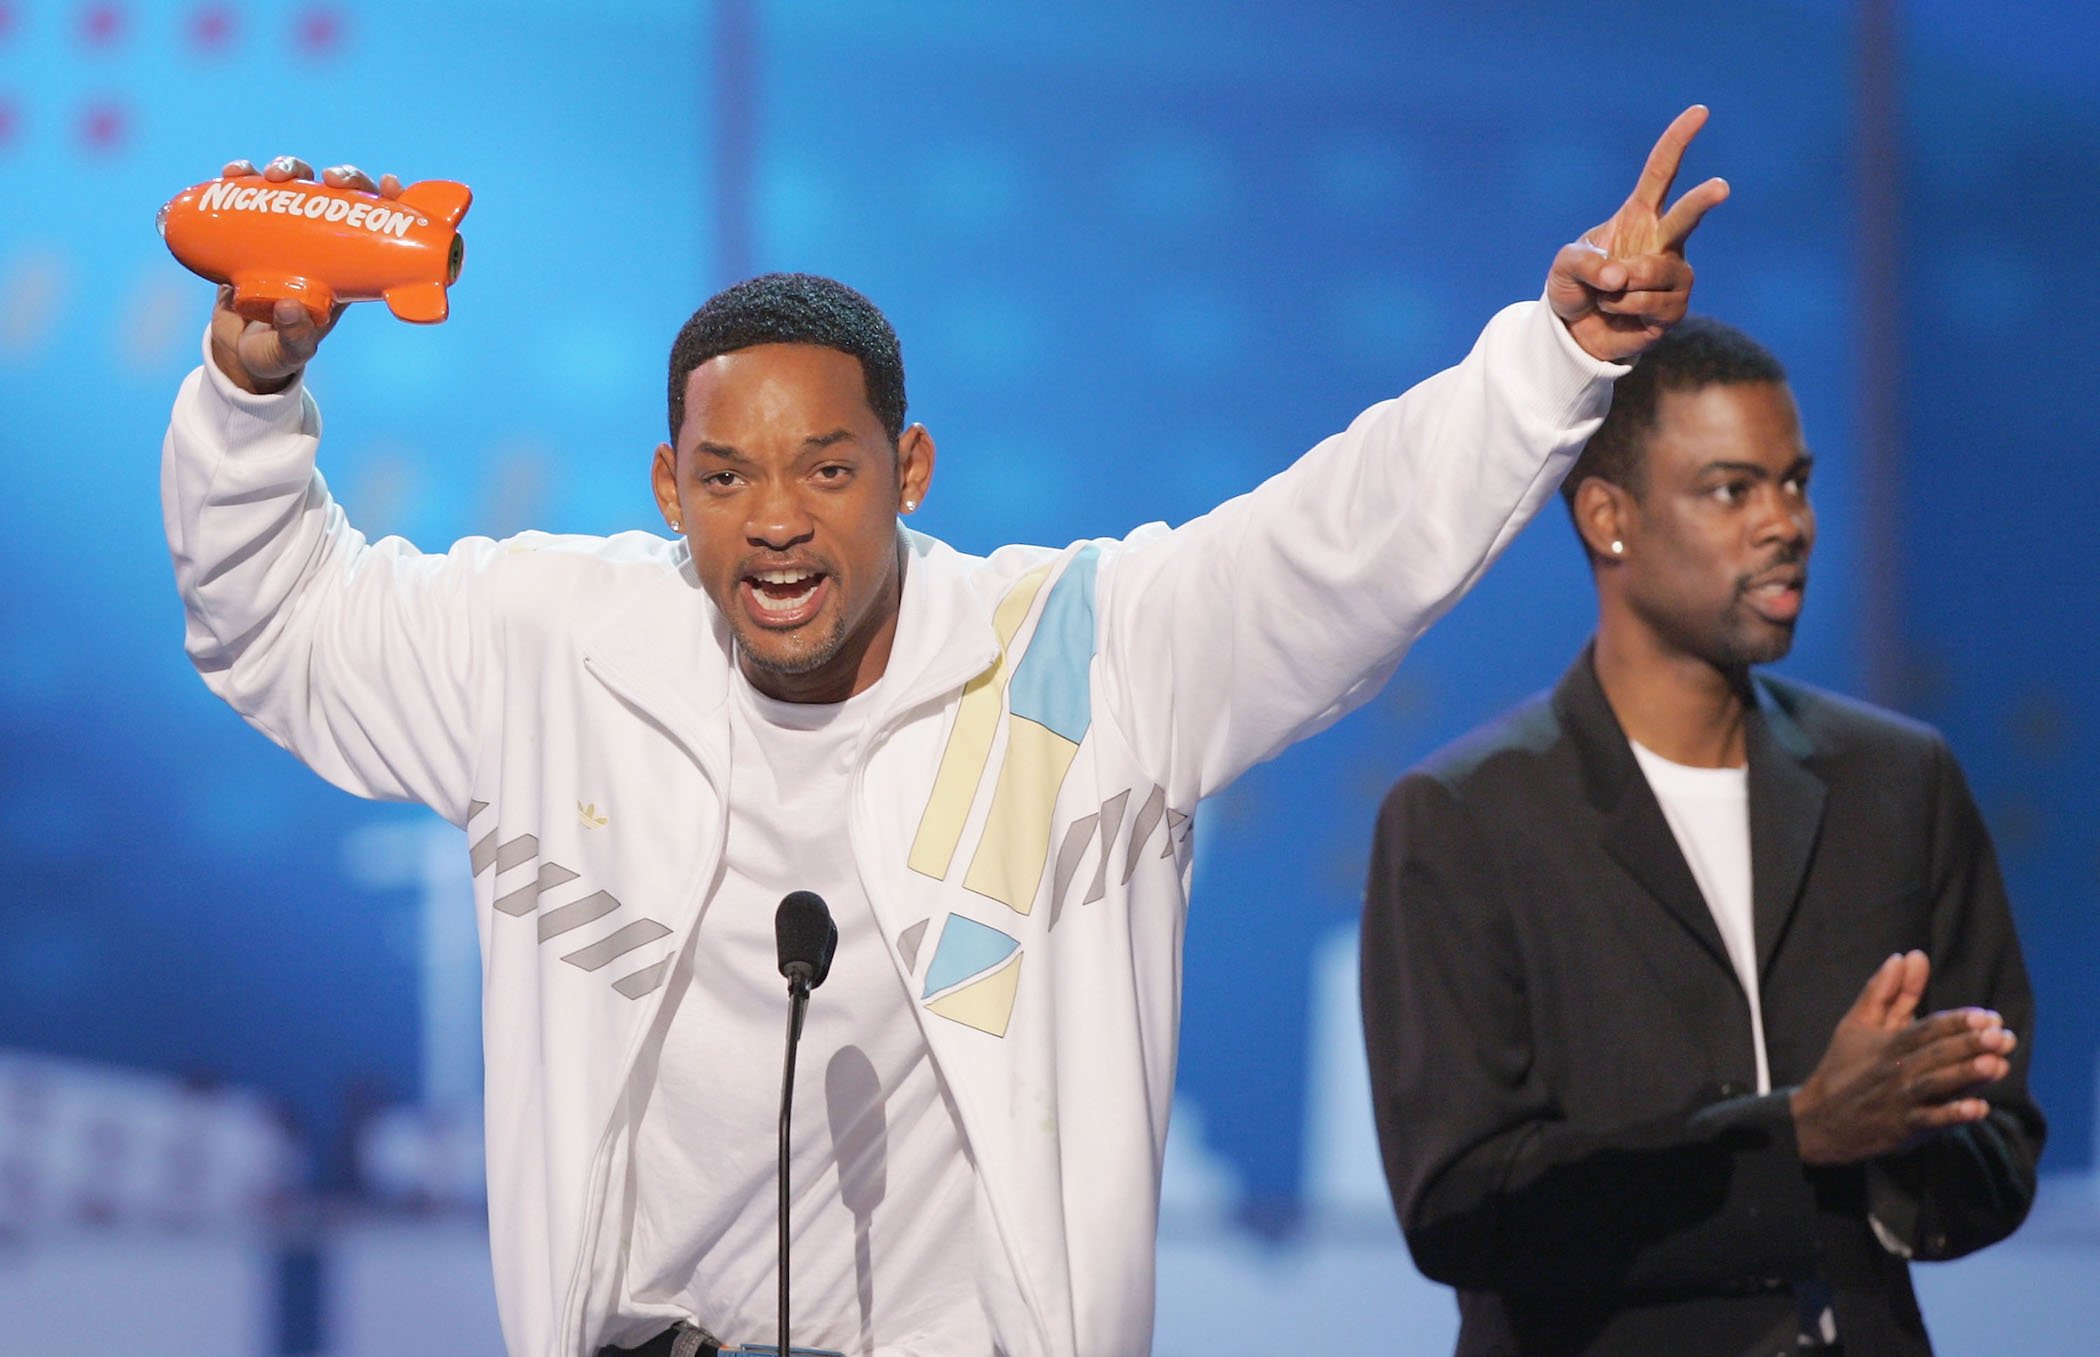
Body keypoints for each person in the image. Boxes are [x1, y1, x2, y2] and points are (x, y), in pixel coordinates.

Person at [164, 109, 1726, 1357]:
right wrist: (248, 392)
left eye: (827, 469)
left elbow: (1344, 541)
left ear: (910, 465)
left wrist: (1558, 359)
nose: (776, 524)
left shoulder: (1082, 657)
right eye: (729, 479)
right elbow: (283, 627)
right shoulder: (552, 651)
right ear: (667, 488)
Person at [1359, 316, 2044, 1356]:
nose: (1787, 523)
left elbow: (2002, 1147)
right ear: (1608, 518)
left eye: (1797, 483)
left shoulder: (1900, 782)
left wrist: (1903, 1142)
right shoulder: (1466, 819)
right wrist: (1799, 1138)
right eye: (1732, 490)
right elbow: (1465, 1204)